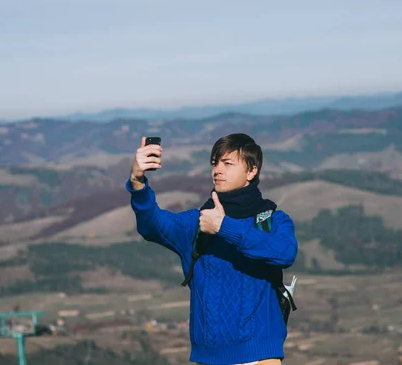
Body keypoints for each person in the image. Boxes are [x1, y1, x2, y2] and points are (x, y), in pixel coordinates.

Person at [126, 133, 298, 365]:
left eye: (228, 163)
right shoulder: (196, 223)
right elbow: (151, 225)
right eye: (215, 163)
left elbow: (286, 253)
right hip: (207, 359)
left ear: (251, 171)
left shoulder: (272, 220)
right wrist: (137, 182)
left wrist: (223, 226)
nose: (218, 170)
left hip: (260, 357)